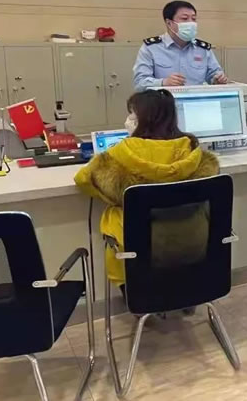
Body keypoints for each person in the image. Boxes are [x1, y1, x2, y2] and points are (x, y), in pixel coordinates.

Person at [74, 89, 219, 289]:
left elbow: (83, 180)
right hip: (193, 248)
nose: (127, 120)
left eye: (131, 115)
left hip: (138, 255)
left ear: (140, 121)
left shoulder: (116, 157)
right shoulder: (197, 156)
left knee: (116, 216)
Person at [133, 0, 228, 91]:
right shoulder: (151, 48)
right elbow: (139, 83)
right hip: (163, 101)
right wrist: (163, 82)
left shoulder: (203, 49)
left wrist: (217, 80)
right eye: (184, 19)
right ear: (169, 23)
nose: (191, 23)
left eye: (193, 19)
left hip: (196, 100)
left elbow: (214, 75)